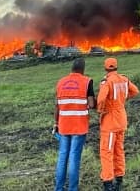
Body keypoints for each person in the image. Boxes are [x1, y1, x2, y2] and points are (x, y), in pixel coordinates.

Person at [97, 57, 139, 191]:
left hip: (110, 121)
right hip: (121, 118)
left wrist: (101, 110)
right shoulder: (124, 79)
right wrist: (122, 100)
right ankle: (119, 178)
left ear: (105, 68)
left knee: (106, 151)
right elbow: (135, 91)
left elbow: (101, 99)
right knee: (119, 150)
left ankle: (108, 182)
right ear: (116, 67)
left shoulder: (107, 81)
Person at [54, 58, 96, 191]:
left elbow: (57, 106)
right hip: (79, 126)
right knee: (74, 158)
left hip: (63, 125)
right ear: (83, 70)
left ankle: (59, 188)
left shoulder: (60, 82)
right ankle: (73, 188)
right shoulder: (86, 81)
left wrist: (56, 123)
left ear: (71, 69)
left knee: (62, 156)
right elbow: (91, 104)